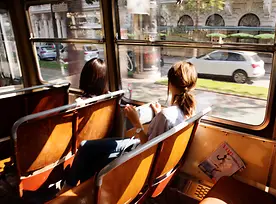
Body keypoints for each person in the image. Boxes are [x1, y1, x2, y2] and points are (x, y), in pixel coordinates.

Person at [58, 61, 198, 193]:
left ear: (170, 84)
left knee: (86, 149)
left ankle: (68, 190)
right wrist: (157, 114)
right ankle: (80, 190)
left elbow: (148, 149)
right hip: (144, 150)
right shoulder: (188, 111)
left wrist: (136, 122)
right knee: (87, 147)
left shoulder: (166, 116)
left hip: (141, 156)